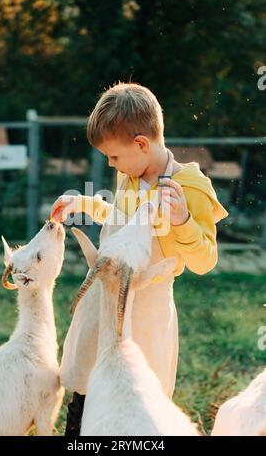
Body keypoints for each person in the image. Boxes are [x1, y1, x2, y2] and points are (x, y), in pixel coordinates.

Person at [50, 82, 229, 436]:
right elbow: (120, 219)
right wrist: (82, 204)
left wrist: (182, 220)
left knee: (136, 388)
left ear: (142, 144)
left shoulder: (189, 187)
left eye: (113, 157)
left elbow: (205, 259)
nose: (111, 163)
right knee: (88, 375)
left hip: (147, 306)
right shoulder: (130, 175)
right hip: (105, 296)